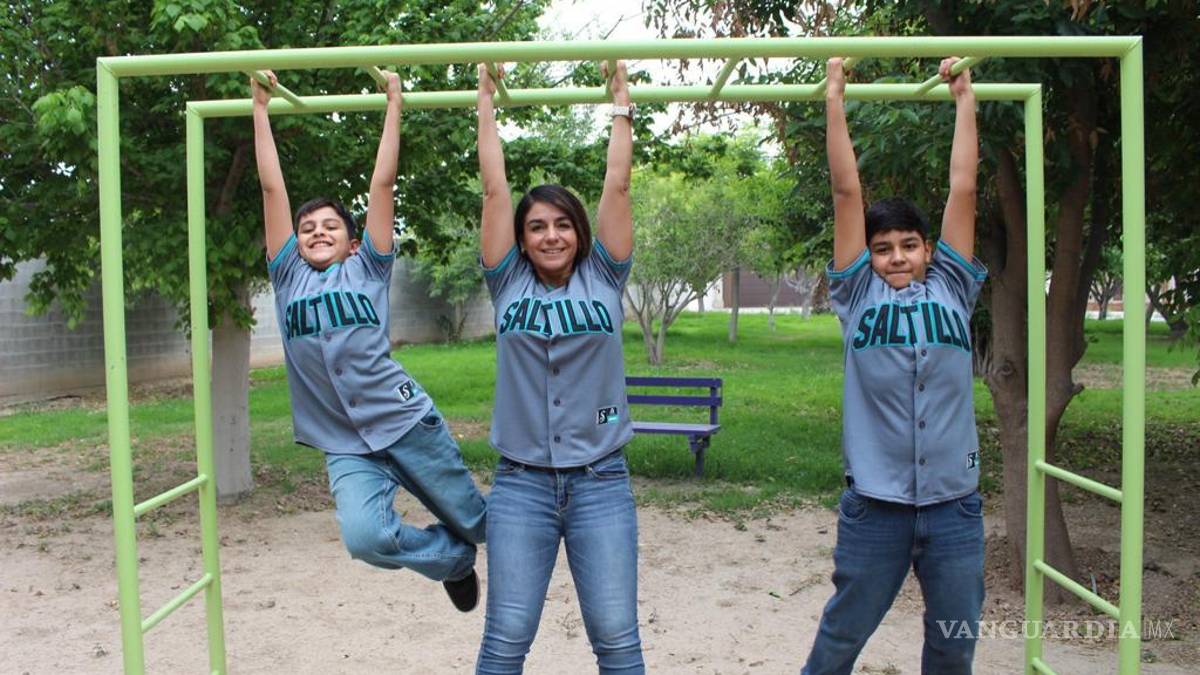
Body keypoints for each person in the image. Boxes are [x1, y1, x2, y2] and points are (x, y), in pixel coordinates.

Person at [252, 69, 486, 612]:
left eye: (330, 225)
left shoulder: (369, 269)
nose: (316, 231)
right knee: (367, 539)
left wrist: (394, 105)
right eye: (307, 227)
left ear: (353, 241)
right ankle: (452, 562)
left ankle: (554, 518)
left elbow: (382, 185)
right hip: (343, 442)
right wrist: (261, 110)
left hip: (405, 423)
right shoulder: (288, 277)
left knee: (481, 523)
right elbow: (272, 189)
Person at [802, 57, 986, 675]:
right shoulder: (857, 295)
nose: (897, 257)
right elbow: (846, 193)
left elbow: (964, 189)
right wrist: (834, 99)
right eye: (882, 248)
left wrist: (965, 101)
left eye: (909, 245)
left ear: (929, 249)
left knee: (954, 646)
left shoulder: (953, 289)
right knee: (839, 641)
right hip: (876, 505)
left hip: (953, 506)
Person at [473, 60, 643, 674]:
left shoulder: (605, 277)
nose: (551, 236)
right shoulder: (507, 284)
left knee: (617, 638)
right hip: (521, 484)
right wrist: (485, 103)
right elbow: (495, 191)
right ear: (521, 240)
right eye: (538, 227)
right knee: (506, 639)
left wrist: (620, 103)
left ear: (580, 232)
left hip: (601, 482)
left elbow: (617, 188)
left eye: (563, 224)